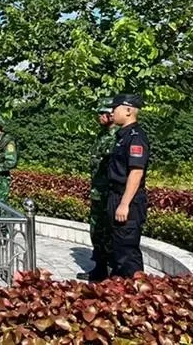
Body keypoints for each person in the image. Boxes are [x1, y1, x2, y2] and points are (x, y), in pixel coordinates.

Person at [107, 94, 150, 278]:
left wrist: (124, 203)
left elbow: (136, 172)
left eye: (114, 108)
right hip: (115, 195)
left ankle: (136, 294)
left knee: (127, 252)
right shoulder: (122, 136)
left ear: (128, 110)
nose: (111, 112)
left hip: (128, 199)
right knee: (116, 249)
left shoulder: (136, 137)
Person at [78, 98, 119, 282]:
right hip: (97, 192)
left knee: (109, 232)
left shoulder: (117, 136)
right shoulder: (102, 135)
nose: (99, 117)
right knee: (96, 231)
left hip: (108, 193)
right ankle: (99, 268)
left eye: (102, 114)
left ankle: (110, 272)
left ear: (111, 115)